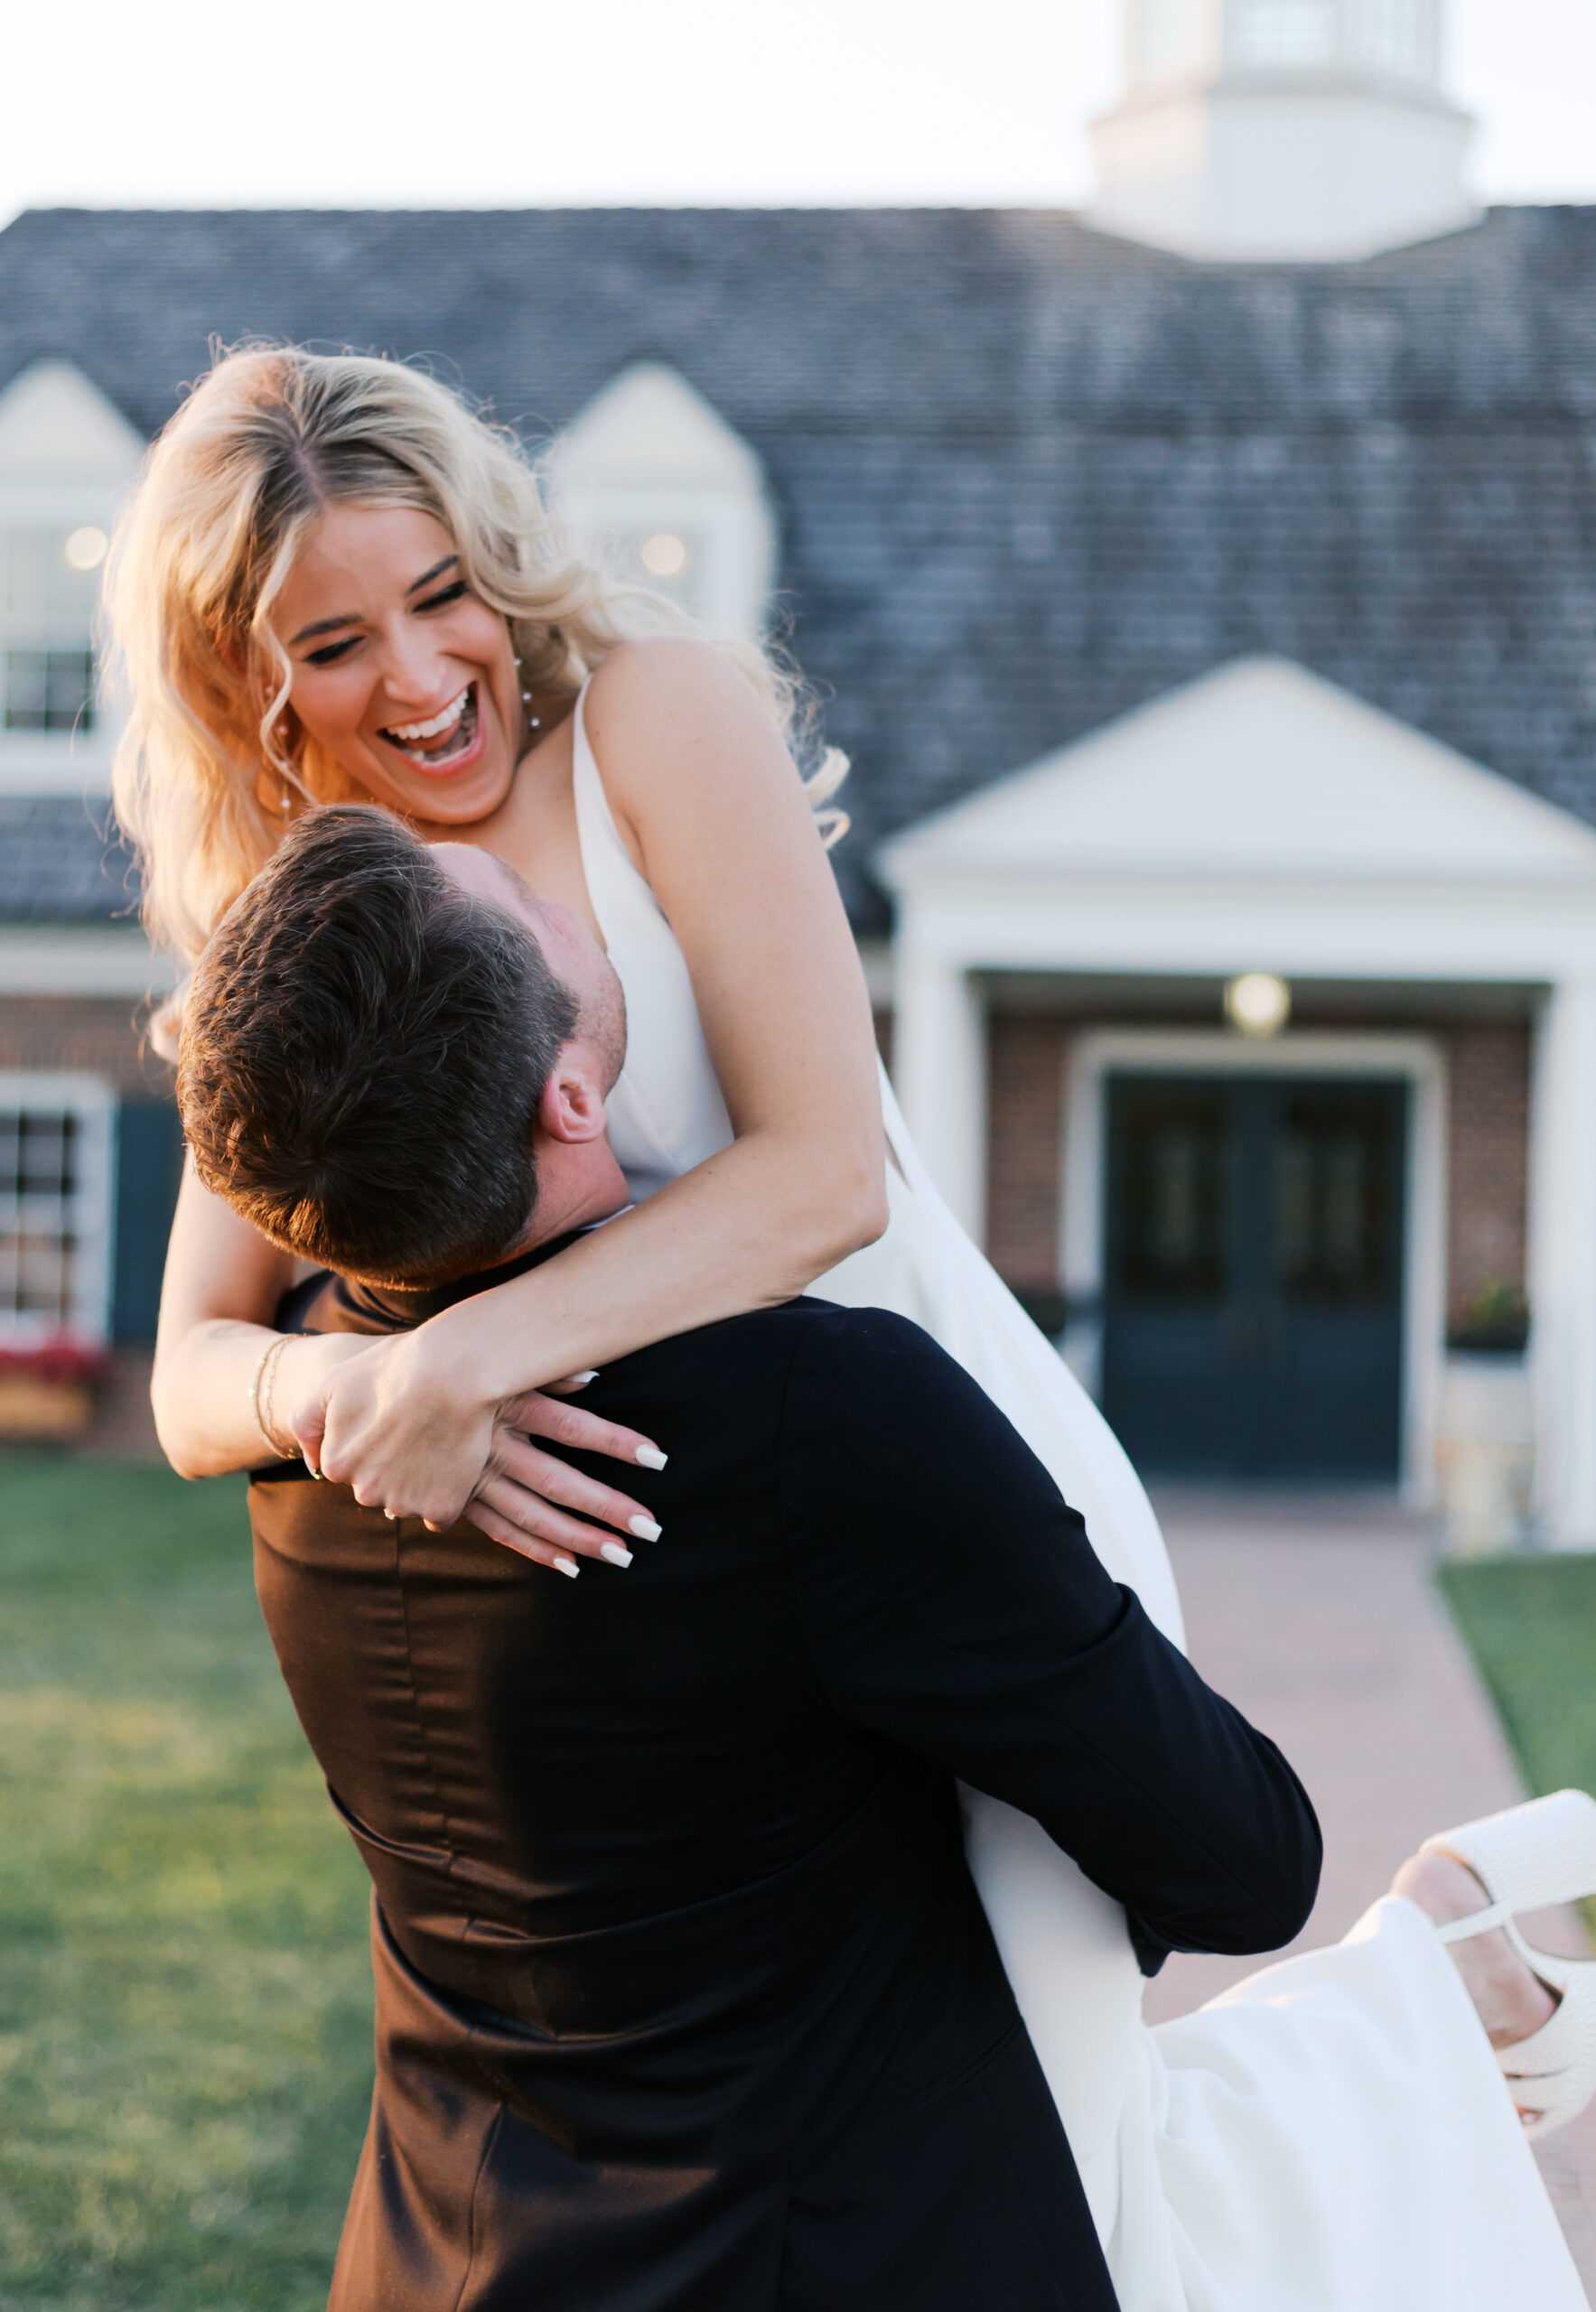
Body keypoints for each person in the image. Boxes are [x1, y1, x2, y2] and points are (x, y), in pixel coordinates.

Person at [113, 346, 1594, 2310]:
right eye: (332, 640)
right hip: (654, 1594)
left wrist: (465, 1361)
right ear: (245, 680)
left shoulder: (651, 718)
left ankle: (1429, 2001)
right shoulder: (311, 912)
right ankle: (1430, 2008)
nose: (414, 674)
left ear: (499, 562)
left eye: (443, 591)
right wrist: (348, 1382)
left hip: (915, 1482)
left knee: (1067, 2134)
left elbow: (823, 1179)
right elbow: (191, 1372)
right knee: (949, 2131)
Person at [178, 800, 1327, 2309]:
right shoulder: (814, 1417)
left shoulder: (305, 1434)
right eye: (534, 901)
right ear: (574, 1097)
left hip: (437, 2260)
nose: (568, 885)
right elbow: (1241, 1861)